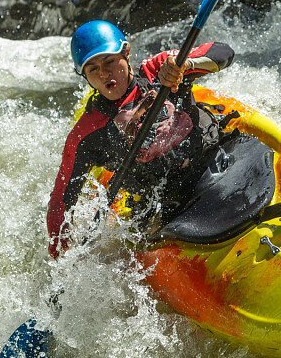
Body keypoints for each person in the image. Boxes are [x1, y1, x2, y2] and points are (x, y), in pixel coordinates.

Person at [46, 20, 235, 258]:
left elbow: (224, 52)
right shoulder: (87, 135)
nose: (104, 74)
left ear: (126, 52)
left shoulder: (159, 69)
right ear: (84, 76)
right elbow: (60, 201)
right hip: (164, 203)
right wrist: (60, 254)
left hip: (212, 161)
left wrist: (185, 66)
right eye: (93, 69)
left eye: (109, 62)